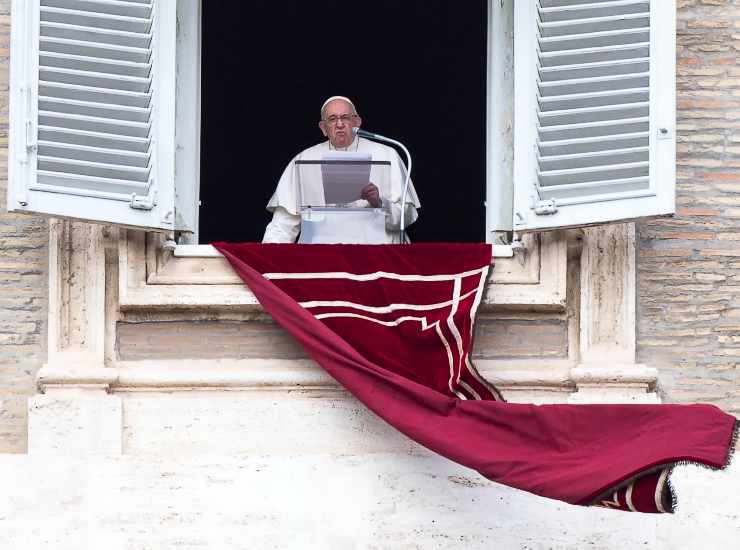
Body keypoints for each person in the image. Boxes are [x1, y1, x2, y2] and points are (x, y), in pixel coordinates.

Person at [262, 96, 420, 243]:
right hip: (323, 258)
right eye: (332, 119)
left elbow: (406, 218)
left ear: (357, 122)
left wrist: (378, 202)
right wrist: (266, 258)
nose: (339, 124)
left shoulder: (387, 154)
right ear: (323, 128)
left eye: (345, 117)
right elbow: (283, 224)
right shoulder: (303, 160)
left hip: (377, 255)